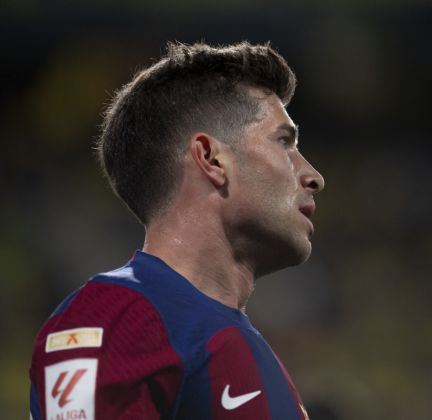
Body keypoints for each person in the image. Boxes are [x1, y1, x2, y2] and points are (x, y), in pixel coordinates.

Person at [29, 41, 324, 420]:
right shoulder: (116, 318)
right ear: (212, 159)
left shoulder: (239, 342)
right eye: (284, 142)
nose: (313, 176)